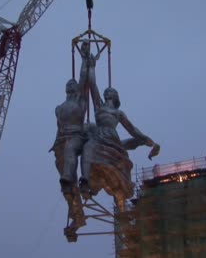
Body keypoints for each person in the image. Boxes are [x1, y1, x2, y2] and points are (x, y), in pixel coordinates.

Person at [79, 52, 160, 210]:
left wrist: (146, 138)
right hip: (99, 135)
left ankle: (120, 200)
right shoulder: (99, 106)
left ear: (115, 96)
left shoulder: (118, 113)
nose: (108, 91)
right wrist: (92, 65)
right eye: (107, 91)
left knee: (119, 164)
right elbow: (92, 84)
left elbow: (131, 129)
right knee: (88, 148)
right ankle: (85, 179)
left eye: (112, 91)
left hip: (112, 138)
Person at [49, 41, 93, 236]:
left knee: (70, 154)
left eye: (73, 83)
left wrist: (84, 57)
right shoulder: (58, 108)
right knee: (66, 188)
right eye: (68, 83)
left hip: (76, 137)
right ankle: (78, 216)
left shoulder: (80, 100)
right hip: (61, 141)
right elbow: (58, 129)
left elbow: (83, 78)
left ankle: (70, 176)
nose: (71, 83)